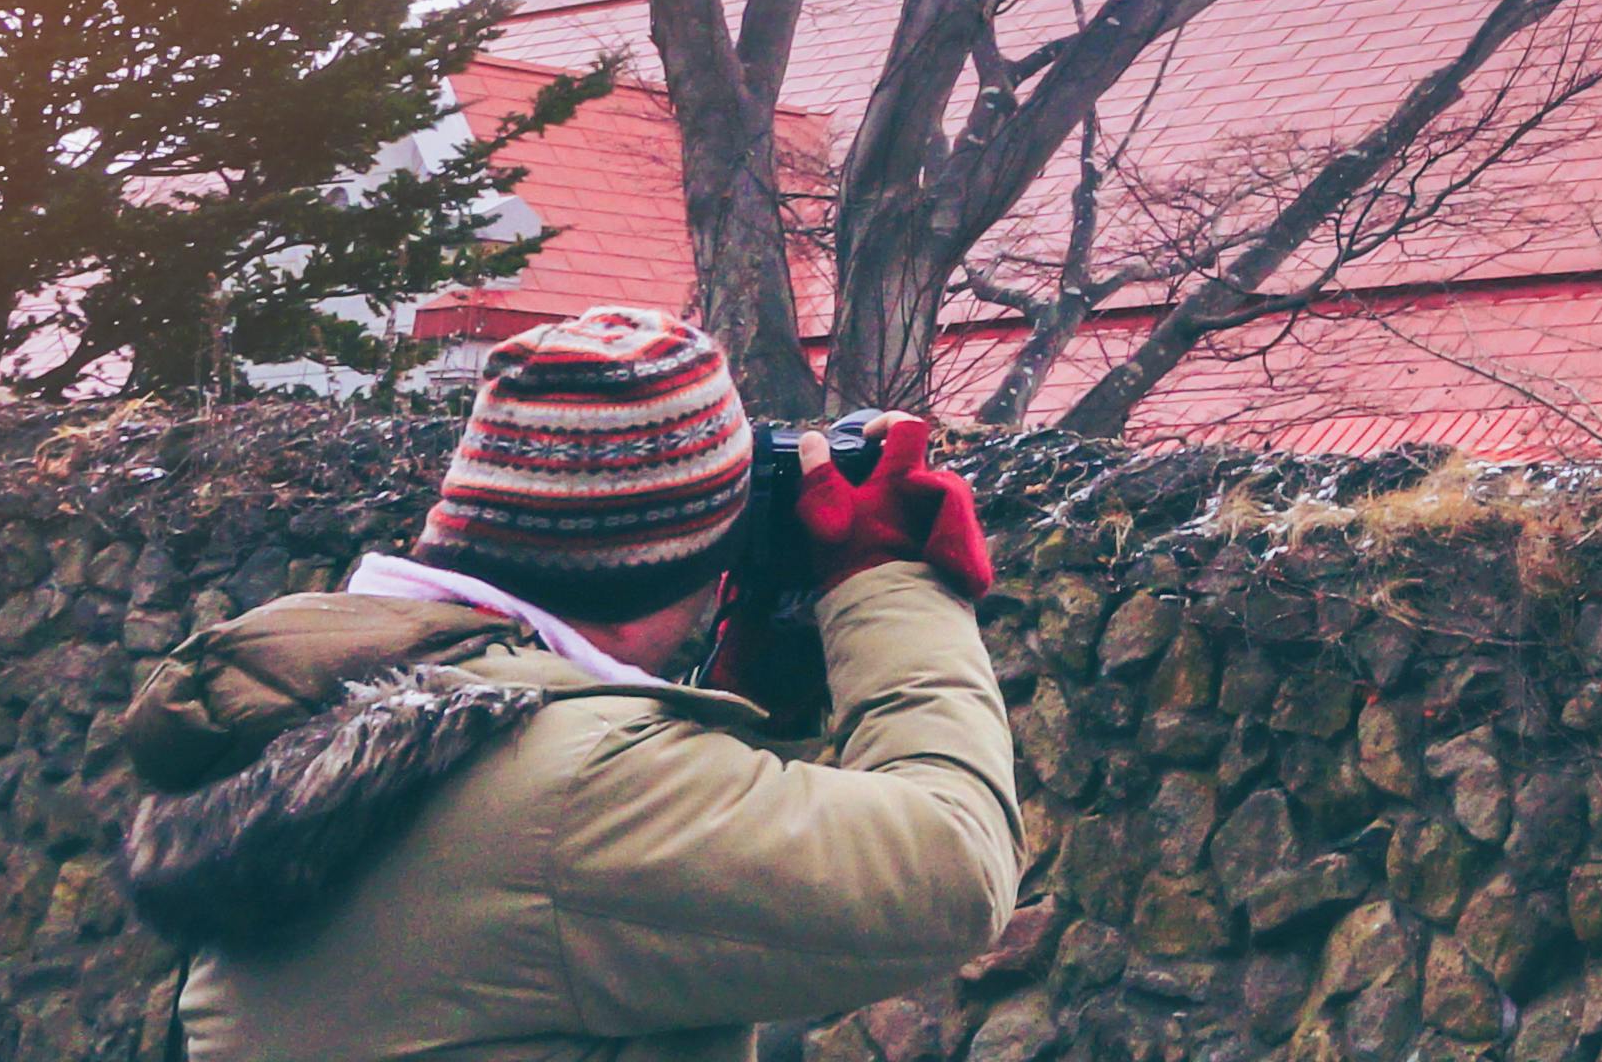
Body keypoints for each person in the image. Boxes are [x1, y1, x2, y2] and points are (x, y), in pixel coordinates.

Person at [111, 307, 1024, 1062]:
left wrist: (759, 689)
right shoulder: (571, 789)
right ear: (682, 558)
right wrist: (883, 575)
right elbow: (953, 870)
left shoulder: (327, 696)